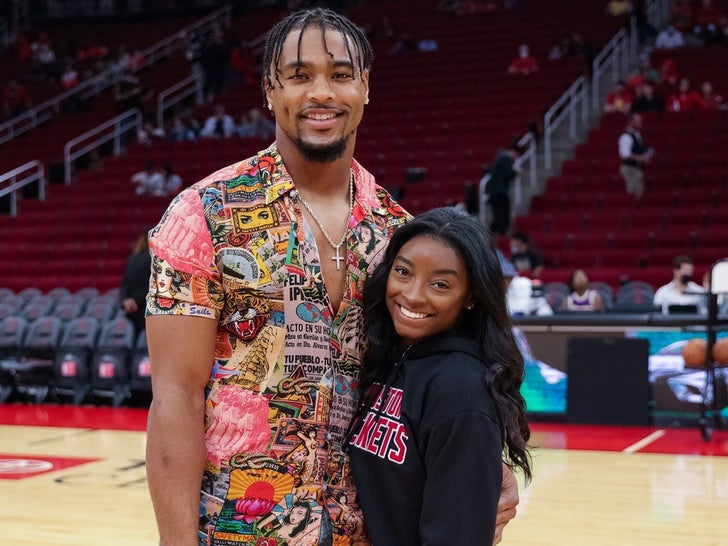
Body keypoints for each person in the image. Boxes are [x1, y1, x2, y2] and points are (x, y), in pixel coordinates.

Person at [144, 8, 519, 546]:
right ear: (270, 92)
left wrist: (485, 460)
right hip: (237, 530)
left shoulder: (398, 233)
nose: (321, 92)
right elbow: (176, 394)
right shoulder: (204, 215)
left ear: (365, 88)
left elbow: (436, 378)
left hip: (368, 529)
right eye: (299, 76)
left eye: (341, 74)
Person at [346, 207, 532, 545]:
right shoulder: (392, 358)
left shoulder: (462, 389)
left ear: (471, 296)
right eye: (403, 272)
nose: (414, 295)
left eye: (440, 284)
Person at [120, 231, 152, 334]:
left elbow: (124, 285)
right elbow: (152, 285)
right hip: (145, 307)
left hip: (130, 309)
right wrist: (137, 301)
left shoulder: (132, 258)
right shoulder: (153, 259)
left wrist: (127, 300)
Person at [484, 145, 521, 235]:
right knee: (503, 217)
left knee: (497, 217)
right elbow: (508, 172)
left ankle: (491, 235)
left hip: (494, 193)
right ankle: (499, 236)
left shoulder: (499, 159)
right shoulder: (505, 159)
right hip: (499, 193)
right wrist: (517, 171)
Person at [618, 112, 653, 202]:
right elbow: (625, 154)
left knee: (639, 192)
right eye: (638, 121)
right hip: (630, 169)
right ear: (631, 122)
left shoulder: (637, 135)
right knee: (633, 192)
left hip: (637, 168)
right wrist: (641, 158)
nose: (640, 122)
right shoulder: (626, 136)